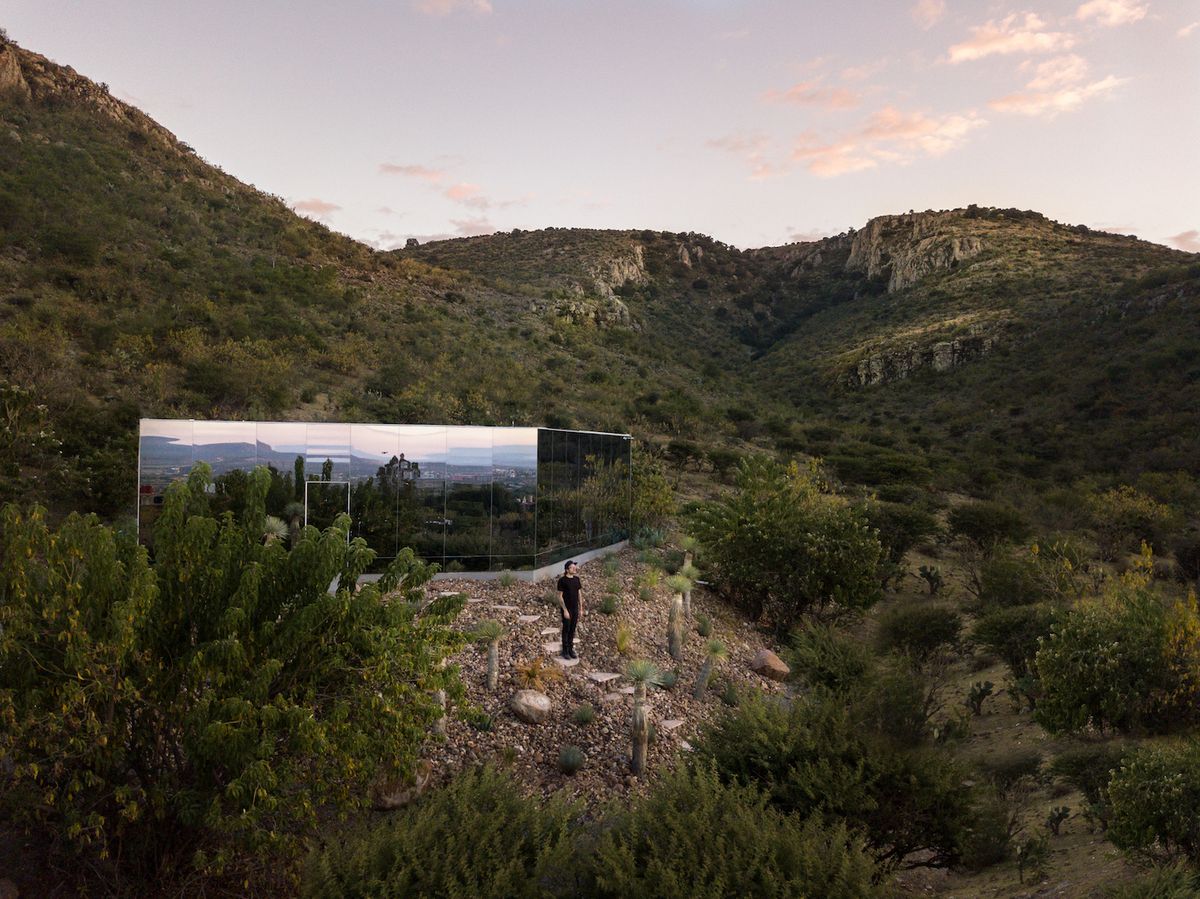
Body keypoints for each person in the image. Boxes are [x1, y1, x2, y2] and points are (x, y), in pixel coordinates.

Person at [557, 560, 583, 659]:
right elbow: (560, 596)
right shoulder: (562, 581)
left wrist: (581, 608)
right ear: (567, 570)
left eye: (575, 567)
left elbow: (579, 594)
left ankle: (571, 650)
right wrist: (565, 610)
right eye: (572, 567)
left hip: (575, 609)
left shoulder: (576, 579)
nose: (575, 568)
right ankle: (565, 651)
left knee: (572, 629)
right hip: (567, 609)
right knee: (566, 629)